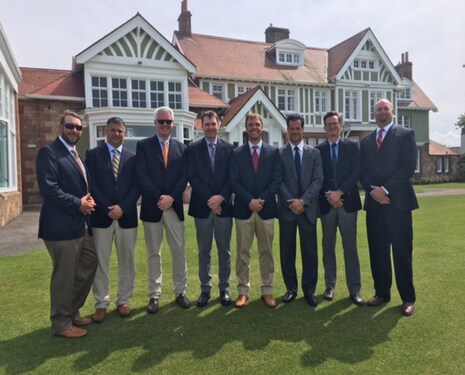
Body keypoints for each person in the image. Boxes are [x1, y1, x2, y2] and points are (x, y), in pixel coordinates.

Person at [36, 110, 98, 338]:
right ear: (61, 127)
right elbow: (49, 189)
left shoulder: (74, 154)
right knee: (64, 275)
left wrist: (87, 200)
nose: (75, 131)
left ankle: (71, 310)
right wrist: (78, 203)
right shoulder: (49, 153)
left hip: (79, 225)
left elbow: (78, 186)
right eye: (70, 126)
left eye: (78, 128)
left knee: (90, 262)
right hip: (60, 228)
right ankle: (61, 323)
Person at [360, 98, 418, 316]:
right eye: (378, 110)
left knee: (402, 252)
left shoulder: (405, 135)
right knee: (378, 251)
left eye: (385, 109)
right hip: (375, 206)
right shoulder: (365, 141)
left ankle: (408, 298)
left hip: (398, 204)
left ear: (392, 111)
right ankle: (382, 293)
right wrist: (374, 191)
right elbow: (362, 170)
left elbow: (408, 167)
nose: (382, 112)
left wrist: (384, 190)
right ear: (374, 113)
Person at [136, 106, 191, 314]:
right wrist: (160, 198)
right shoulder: (144, 146)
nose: (165, 125)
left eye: (168, 122)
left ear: (173, 124)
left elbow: (184, 176)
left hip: (174, 207)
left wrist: (171, 198)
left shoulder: (181, 148)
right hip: (153, 207)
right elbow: (141, 175)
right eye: (161, 121)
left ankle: (180, 292)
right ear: (155, 123)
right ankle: (154, 295)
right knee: (154, 253)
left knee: (179, 251)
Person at [85, 117, 140, 323]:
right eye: (113, 130)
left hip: (126, 217)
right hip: (102, 216)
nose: (117, 134)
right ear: (106, 131)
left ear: (124, 133)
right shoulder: (93, 155)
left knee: (127, 260)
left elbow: (137, 185)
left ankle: (123, 300)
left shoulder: (132, 157)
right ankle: (101, 303)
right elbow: (92, 184)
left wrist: (123, 208)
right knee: (101, 261)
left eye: (120, 131)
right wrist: (109, 206)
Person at [230, 112, 282, 308]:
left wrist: (260, 200)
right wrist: (249, 200)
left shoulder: (272, 152)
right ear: (246, 127)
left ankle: (267, 290)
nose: (254, 127)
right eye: (250, 124)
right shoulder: (237, 154)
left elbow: (276, 180)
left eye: (257, 124)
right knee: (243, 252)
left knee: (266, 251)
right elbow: (234, 181)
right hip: (243, 210)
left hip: (266, 209)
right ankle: (243, 291)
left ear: (262, 127)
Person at [316, 111, 364, 306]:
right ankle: (329, 286)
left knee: (350, 247)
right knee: (328, 247)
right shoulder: (318, 150)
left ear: (341, 126)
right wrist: (330, 195)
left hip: (347, 204)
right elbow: (318, 177)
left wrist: (340, 192)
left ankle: (355, 289)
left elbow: (355, 173)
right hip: (327, 205)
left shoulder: (352, 147)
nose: (332, 127)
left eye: (335, 124)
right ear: (324, 128)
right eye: (328, 124)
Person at [187, 111, 234, 307]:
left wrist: (220, 197)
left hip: (224, 208)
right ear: (201, 126)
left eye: (213, 124)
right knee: (204, 250)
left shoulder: (229, 149)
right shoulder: (193, 149)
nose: (210, 127)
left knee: (224, 250)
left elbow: (233, 177)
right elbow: (193, 177)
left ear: (218, 124)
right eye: (207, 124)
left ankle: (224, 288)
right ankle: (205, 289)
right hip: (202, 207)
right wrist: (210, 199)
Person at [278, 114, 323, 307]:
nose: (295, 132)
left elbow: (318, 180)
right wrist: (292, 202)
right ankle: (291, 289)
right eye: (292, 128)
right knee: (287, 252)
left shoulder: (314, 154)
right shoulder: (279, 154)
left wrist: (303, 201)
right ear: (287, 130)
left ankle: (309, 290)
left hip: (308, 210)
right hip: (287, 211)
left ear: (302, 130)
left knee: (310, 252)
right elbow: (278, 181)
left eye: (298, 128)